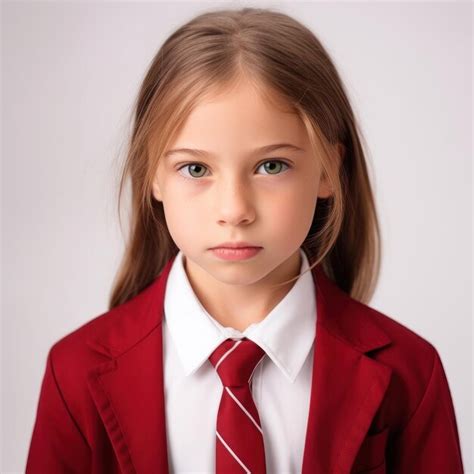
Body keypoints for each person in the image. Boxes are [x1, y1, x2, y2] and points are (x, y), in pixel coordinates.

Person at [25, 7, 464, 474]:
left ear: (329, 170)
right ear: (153, 175)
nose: (234, 210)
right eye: (195, 169)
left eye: (271, 165)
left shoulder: (410, 374)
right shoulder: (73, 373)